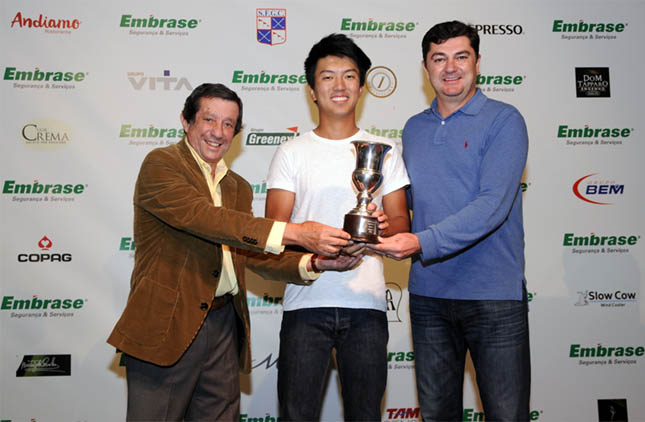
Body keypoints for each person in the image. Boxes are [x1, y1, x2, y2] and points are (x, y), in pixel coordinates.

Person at [107, 83, 360, 421]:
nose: (218, 132)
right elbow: (205, 219)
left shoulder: (236, 186)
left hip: (226, 324)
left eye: (229, 124)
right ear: (186, 121)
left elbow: (251, 252)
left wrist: (316, 261)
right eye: (209, 120)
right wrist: (297, 232)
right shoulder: (161, 164)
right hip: (168, 324)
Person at [368, 21, 530, 421]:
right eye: (439, 58)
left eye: (461, 56)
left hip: (493, 296)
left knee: (506, 415)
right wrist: (384, 222)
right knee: (437, 415)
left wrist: (421, 242)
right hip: (430, 297)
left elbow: (493, 204)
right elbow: (409, 203)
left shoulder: (504, 120)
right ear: (426, 67)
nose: (450, 67)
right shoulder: (414, 128)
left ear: (477, 62)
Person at [265, 33, 411, 421]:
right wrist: (313, 245)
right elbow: (274, 228)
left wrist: (380, 225)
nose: (339, 85)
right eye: (327, 76)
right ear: (312, 89)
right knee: (297, 414)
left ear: (362, 87)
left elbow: (401, 222)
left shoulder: (385, 150)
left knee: (365, 414)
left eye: (349, 76)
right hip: (305, 301)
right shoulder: (291, 152)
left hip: (366, 305)